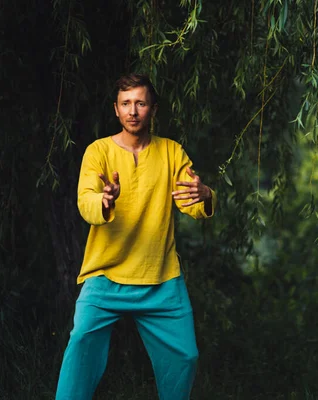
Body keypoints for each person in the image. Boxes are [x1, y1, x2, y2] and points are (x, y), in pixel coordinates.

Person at [55, 73, 215, 400]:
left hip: (159, 276)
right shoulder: (98, 152)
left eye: (140, 103)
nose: (133, 111)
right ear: (116, 109)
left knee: (186, 356)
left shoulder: (171, 152)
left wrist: (206, 195)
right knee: (81, 343)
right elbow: (86, 201)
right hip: (105, 275)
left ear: (152, 109)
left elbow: (193, 203)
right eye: (126, 103)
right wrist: (102, 200)